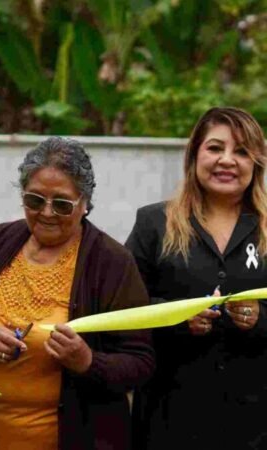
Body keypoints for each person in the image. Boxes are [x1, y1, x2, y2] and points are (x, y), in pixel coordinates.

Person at [0, 137, 154, 450]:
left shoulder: (112, 262)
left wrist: (87, 361)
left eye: (62, 204)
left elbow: (141, 363)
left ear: (85, 204)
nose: (47, 213)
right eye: (34, 200)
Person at [126, 107, 267, 449]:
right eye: (215, 148)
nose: (227, 160)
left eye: (242, 151)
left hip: (254, 424)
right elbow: (122, 308)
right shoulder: (153, 224)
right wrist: (175, 317)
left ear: (256, 164)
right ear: (194, 156)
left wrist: (259, 318)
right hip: (168, 418)